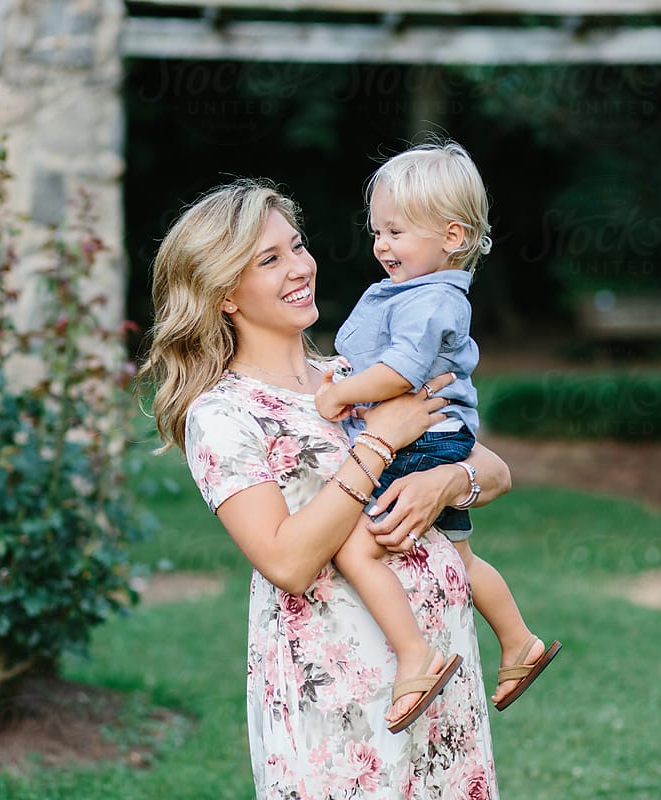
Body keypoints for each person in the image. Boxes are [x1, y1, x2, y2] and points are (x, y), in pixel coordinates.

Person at [138, 179, 511, 798]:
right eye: (270, 259)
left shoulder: (356, 375)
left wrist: (445, 483)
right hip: (342, 694)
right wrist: (377, 444)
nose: (300, 267)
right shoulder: (226, 414)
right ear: (225, 292)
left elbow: (493, 470)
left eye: (297, 245)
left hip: (441, 672)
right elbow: (286, 560)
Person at [314, 142, 560, 729]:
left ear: (451, 236)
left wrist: (340, 393)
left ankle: (416, 656)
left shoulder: (429, 301)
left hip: (421, 442)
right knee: (459, 553)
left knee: (356, 548)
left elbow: (400, 371)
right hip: (441, 438)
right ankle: (519, 641)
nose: (381, 245)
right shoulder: (424, 292)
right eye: (377, 231)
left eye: (396, 231)